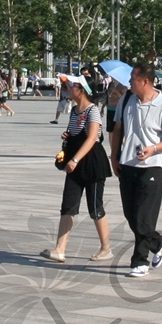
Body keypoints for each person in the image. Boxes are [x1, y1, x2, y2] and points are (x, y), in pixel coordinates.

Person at [112, 60, 162, 277]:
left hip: (152, 167)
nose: (129, 83)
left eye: (132, 79)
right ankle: (159, 242)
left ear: (145, 81)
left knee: (143, 218)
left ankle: (139, 261)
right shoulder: (126, 100)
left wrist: (154, 149)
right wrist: (114, 156)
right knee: (130, 214)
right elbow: (117, 129)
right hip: (127, 164)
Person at [42, 76, 114, 262]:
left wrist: (74, 159)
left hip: (91, 163)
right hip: (74, 163)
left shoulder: (93, 111)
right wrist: (68, 135)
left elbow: (92, 139)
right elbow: (76, 134)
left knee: (95, 207)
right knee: (68, 205)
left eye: (70, 86)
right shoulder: (74, 111)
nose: (67, 89)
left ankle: (106, 248)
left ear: (81, 90)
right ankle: (60, 248)